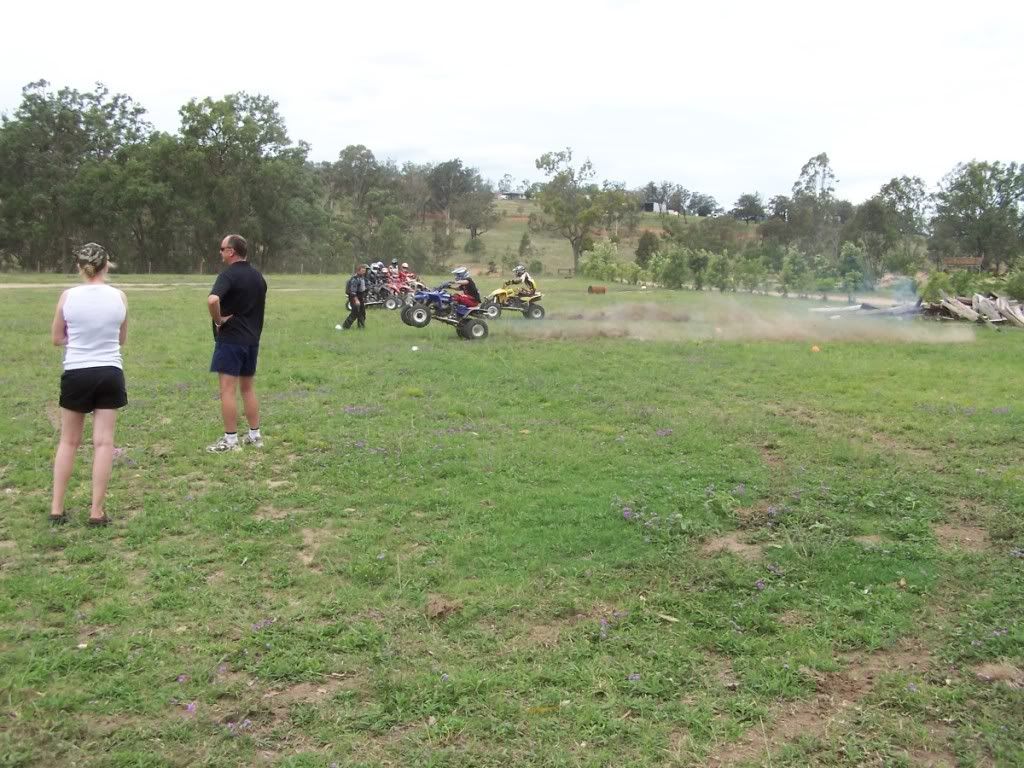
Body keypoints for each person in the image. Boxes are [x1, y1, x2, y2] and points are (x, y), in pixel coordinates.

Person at [49, 243, 128, 526]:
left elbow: (57, 338)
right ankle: (96, 511)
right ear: (106, 265)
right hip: (109, 372)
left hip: (77, 373)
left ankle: (57, 509)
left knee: (68, 441)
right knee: (103, 443)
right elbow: (120, 339)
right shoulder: (119, 297)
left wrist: (78, 339)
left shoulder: (68, 296)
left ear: (80, 267)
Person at [206, 234, 268, 453]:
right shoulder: (258, 277)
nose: (220, 252)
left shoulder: (228, 275)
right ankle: (255, 436)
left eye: (222, 248)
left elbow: (213, 299)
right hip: (252, 341)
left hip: (231, 340)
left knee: (227, 391)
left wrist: (218, 320)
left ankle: (230, 440)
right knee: (248, 389)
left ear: (231, 251)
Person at [342, 264, 368, 329]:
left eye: (364, 271)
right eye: (362, 271)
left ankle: (361, 327)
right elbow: (353, 291)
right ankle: (345, 327)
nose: (364, 272)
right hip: (354, 297)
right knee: (355, 313)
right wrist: (356, 300)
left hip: (360, 297)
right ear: (358, 271)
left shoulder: (362, 278)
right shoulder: (355, 279)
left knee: (362, 312)